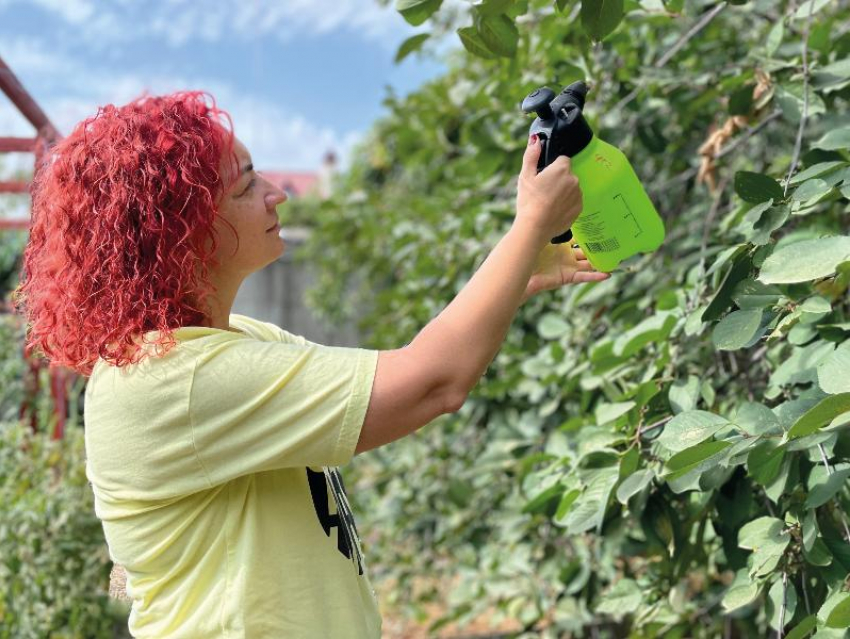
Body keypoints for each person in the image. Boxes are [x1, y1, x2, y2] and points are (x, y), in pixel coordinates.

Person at [12, 92, 609, 638]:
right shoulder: (178, 379)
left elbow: (395, 374)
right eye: (246, 186)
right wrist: (528, 224)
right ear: (183, 231)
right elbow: (433, 382)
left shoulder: (235, 342)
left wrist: (517, 271)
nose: (277, 193)